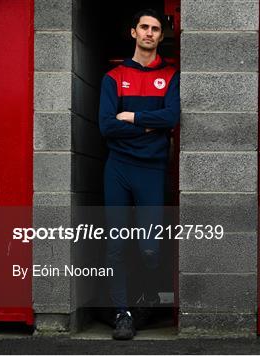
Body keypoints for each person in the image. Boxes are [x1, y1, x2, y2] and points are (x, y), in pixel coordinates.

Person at [98, 8, 180, 340]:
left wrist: (130, 117)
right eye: (143, 27)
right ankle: (122, 312)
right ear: (133, 32)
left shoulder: (172, 75)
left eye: (155, 29)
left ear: (161, 36)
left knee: (150, 248)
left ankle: (146, 300)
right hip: (118, 168)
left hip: (152, 170)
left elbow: (172, 116)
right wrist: (148, 125)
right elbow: (106, 126)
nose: (149, 33)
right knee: (117, 244)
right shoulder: (113, 78)